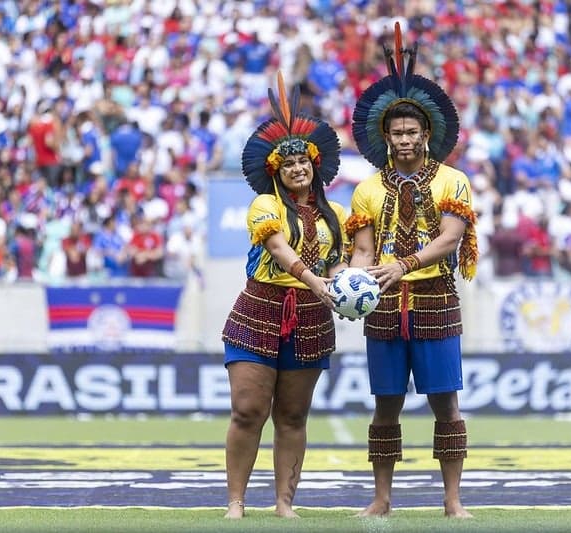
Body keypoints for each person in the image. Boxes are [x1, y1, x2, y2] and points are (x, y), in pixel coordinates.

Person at [345, 23, 477, 518]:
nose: (404, 139)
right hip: (383, 302)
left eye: (411, 132)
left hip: (435, 298)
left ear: (426, 134)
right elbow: (363, 249)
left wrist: (404, 264)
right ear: (386, 136)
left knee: (446, 404)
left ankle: (452, 499)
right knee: (386, 405)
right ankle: (381, 499)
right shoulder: (366, 188)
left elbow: (450, 239)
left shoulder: (453, 180)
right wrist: (350, 283)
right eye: (396, 133)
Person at [221, 73, 346, 519]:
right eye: (288, 163)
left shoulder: (337, 215)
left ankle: (283, 502)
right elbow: (278, 248)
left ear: (315, 166)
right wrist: (316, 281)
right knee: (247, 410)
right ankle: (236, 501)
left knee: (293, 415)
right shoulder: (264, 205)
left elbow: (337, 264)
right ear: (276, 171)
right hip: (259, 310)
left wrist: (346, 288)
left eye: (303, 161)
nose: (297, 169)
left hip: (311, 318)